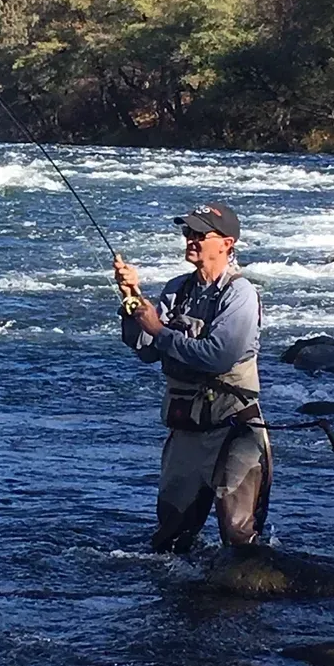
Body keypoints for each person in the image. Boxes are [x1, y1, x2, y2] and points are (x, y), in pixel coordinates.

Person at [115, 202, 271, 554]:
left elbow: (220, 355)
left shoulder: (240, 294)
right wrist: (131, 301)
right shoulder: (177, 289)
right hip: (186, 431)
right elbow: (145, 350)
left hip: (234, 430)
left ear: (227, 243)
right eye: (188, 232)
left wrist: (159, 329)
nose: (191, 239)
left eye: (200, 234)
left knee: (238, 537)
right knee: (169, 541)